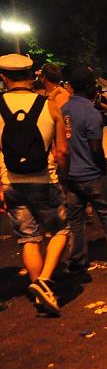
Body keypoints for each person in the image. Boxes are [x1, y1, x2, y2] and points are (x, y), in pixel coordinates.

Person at [0, 54, 70, 315]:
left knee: (28, 238)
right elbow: (62, 151)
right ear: (32, 76)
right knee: (61, 231)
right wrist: (63, 177)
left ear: (3, 77)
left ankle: (41, 296)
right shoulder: (49, 106)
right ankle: (44, 280)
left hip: (11, 182)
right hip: (44, 180)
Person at [61, 66, 107, 274]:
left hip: (71, 174)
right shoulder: (91, 113)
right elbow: (95, 148)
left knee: (76, 220)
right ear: (90, 87)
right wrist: (103, 170)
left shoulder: (63, 110)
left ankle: (76, 259)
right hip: (92, 174)